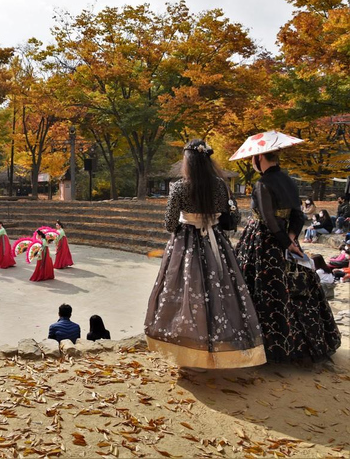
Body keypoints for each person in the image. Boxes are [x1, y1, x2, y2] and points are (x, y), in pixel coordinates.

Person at [144, 139, 266, 369]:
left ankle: (188, 346)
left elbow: (170, 224)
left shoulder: (179, 188)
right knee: (220, 292)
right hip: (215, 243)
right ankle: (220, 348)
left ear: (187, 162)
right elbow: (234, 219)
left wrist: (186, 220)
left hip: (185, 245)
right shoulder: (221, 186)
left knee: (187, 292)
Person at [233, 131, 341, 363]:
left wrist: (284, 241)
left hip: (262, 243)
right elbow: (298, 215)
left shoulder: (262, 183)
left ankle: (264, 347)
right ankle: (302, 344)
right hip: (287, 241)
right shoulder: (289, 181)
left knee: (261, 290)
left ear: (259, 158)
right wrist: (291, 239)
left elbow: (268, 220)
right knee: (292, 290)